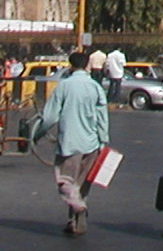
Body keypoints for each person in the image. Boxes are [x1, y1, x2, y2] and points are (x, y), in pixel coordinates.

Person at [34, 50, 110, 237]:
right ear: (87, 66)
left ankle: (79, 208)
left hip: (70, 143)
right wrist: (104, 140)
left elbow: (50, 116)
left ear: (71, 65)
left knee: (66, 181)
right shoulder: (95, 87)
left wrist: (38, 134)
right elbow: (102, 117)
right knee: (81, 184)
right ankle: (73, 221)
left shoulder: (64, 86)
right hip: (91, 143)